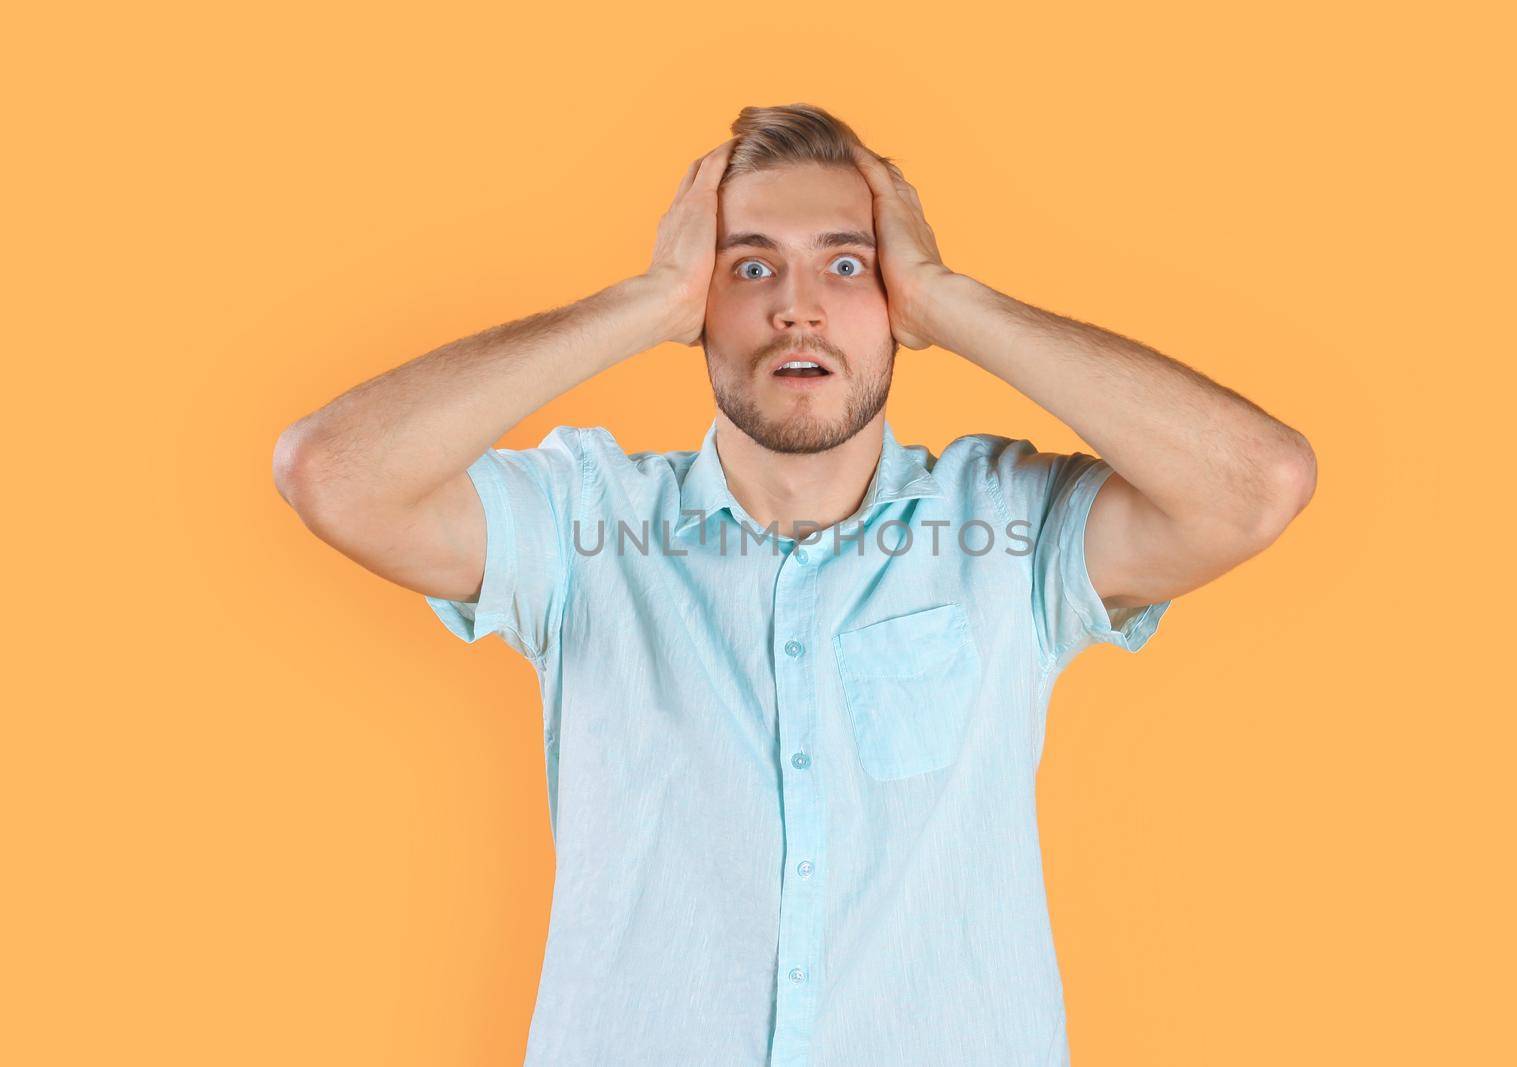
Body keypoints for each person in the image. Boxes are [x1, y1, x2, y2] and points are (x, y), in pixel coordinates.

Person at [273, 103, 1316, 1067]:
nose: (800, 312)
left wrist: (953, 300)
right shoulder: (583, 526)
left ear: (896, 299)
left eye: (848, 265)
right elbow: (334, 473)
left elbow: (1256, 484)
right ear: (699, 303)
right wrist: (640, 303)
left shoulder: (1007, 529)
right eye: (750, 269)